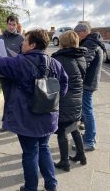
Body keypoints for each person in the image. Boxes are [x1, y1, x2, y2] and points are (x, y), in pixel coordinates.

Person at [0, 29, 68, 191]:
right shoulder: (55, 64)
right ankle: (51, 184)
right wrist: (50, 100)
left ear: (32, 45)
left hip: (27, 119)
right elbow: (64, 87)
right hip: (48, 116)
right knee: (44, 148)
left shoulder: (19, 62)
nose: (21, 43)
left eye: (24, 41)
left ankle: (31, 187)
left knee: (30, 152)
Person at [52, 31, 87, 172]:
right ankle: (81, 155)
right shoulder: (80, 56)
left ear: (63, 42)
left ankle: (64, 162)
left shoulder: (60, 58)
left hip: (65, 99)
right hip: (78, 98)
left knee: (61, 131)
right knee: (74, 127)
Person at [74, 23, 105, 151]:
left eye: (78, 35)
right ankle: (89, 136)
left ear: (83, 32)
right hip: (89, 82)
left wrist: (73, 70)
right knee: (86, 111)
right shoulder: (93, 41)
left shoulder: (90, 43)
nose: (77, 38)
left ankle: (89, 141)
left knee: (87, 111)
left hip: (87, 83)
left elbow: (84, 62)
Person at [0, 15, 24, 131]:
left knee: (17, 98)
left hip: (16, 73)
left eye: (14, 24)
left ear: (17, 25)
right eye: (9, 24)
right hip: (4, 74)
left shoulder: (21, 39)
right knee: (8, 98)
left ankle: (15, 122)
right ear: (6, 24)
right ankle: (6, 123)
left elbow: (25, 56)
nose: (11, 26)